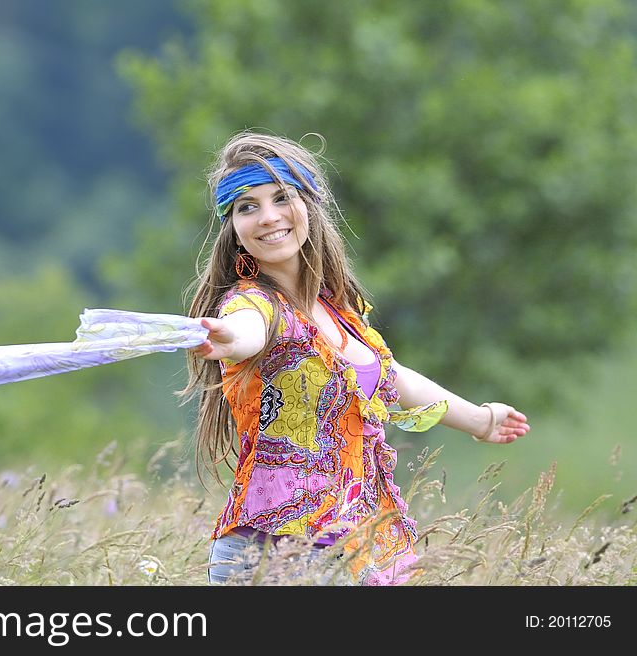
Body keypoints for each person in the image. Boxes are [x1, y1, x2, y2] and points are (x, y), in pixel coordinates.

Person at [180, 130, 530, 586]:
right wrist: (227, 339)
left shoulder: (338, 311)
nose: (267, 217)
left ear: (310, 205)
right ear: (233, 226)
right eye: (246, 207)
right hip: (273, 554)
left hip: (356, 547)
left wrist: (481, 420)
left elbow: (392, 377)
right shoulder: (253, 305)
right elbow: (247, 331)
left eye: (281, 198)